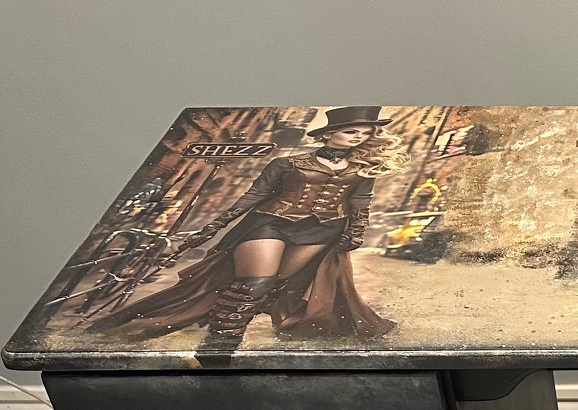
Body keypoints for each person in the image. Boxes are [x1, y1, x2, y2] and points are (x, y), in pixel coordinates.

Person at [89, 105, 398, 348]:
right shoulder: (286, 164)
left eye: (364, 133)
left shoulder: (363, 170)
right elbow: (254, 196)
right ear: (328, 134)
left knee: (276, 286)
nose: (358, 137)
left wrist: (356, 232)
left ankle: (222, 334)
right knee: (255, 284)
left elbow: (360, 203)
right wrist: (213, 227)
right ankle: (221, 343)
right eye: (350, 131)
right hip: (271, 224)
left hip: (322, 231)